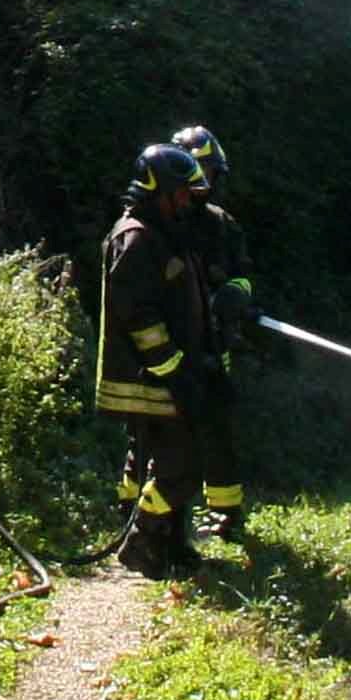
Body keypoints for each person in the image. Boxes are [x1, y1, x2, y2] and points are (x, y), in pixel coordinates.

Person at [97, 141, 239, 575]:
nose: (186, 203)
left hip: (168, 374)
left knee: (176, 462)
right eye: (179, 194)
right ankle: (141, 541)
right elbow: (137, 316)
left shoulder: (165, 234)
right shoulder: (136, 238)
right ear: (155, 189)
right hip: (147, 380)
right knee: (181, 467)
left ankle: (171, 545)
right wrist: (173, 369)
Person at [166, 123, 256, 547]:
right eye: (200, 172)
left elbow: (243, 274)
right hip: (167, 344)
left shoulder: (222, 224)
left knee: (217, 426)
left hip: (212, 343)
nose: (205, 182)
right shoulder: (160, 224)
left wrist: (235, 295)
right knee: (161, 430)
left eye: (211, 173)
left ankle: (225, 515)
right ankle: (155, 516)